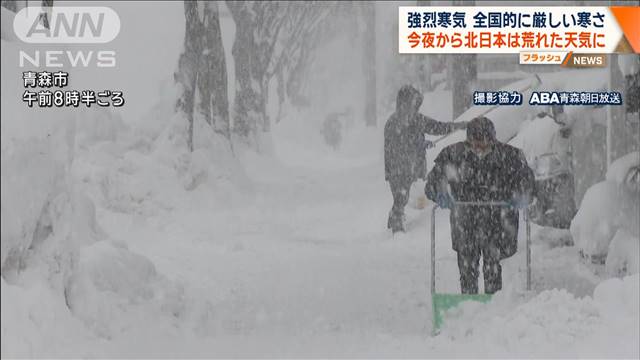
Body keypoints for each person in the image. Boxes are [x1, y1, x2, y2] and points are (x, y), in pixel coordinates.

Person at [424, 116, 535, 294]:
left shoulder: (509, 156)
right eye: (474, 143)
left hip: (497, 222)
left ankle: (493, 305)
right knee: (467, 268)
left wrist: (522, 194)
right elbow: (432, 182)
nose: (479, 148)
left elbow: (527, 180)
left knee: (493, 266)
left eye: (483, 143)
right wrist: (440, 192)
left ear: (492, 140)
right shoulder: (454, 155)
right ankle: (469, 304)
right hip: (465, 222)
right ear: (468, 140)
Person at [384, 85, 467, 233]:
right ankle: (397, 228)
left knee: (404, 195)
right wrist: (417, 144)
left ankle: (394, 216)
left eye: (416, 104)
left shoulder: (418, 119)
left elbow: (438, 127)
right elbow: (396, 147)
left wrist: (460, 126)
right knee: (401, 196)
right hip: (396, 168)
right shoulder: (393, 123)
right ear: (403, 103)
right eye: (411, 103)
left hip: (413, 166)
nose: (414, 107)